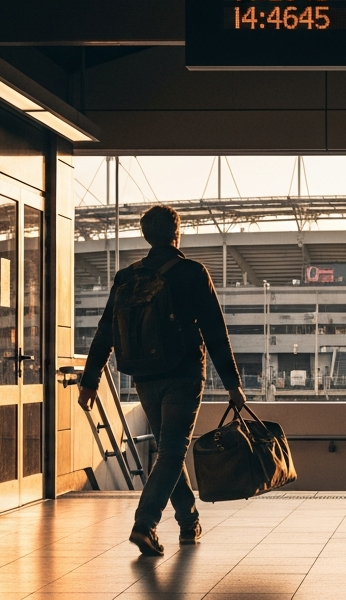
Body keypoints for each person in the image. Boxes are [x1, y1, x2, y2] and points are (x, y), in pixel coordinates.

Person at [79, 205, 246, 556]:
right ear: (177, 233)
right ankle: (145, 524)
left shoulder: (128, 276)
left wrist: (90, 380)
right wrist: (233, 384)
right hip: (183, 375)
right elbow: (216, 333)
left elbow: (105, 331)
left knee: (169, 452)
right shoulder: (191, 272)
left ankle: (188, 521)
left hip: (144, 376)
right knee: (172, 450)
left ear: (146, 236)